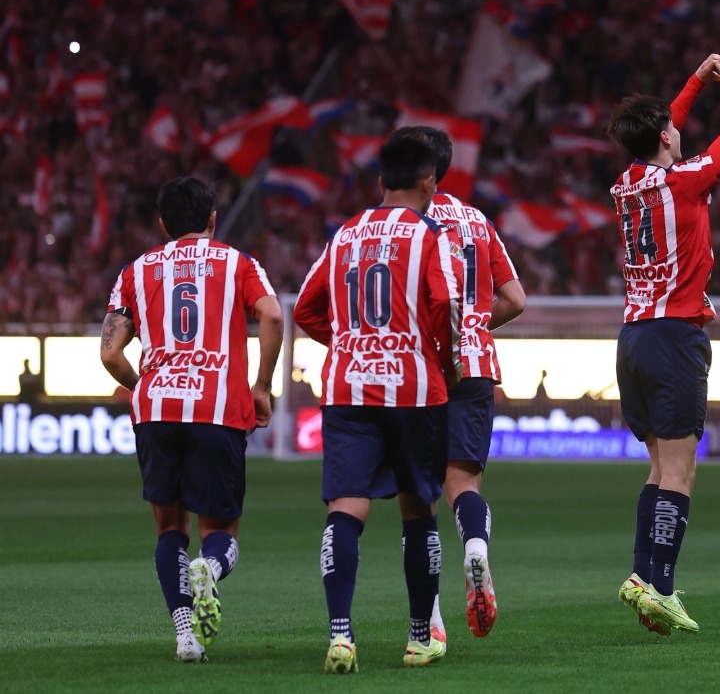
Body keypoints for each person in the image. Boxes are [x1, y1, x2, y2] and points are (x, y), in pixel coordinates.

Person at [293, 132, 461, 673]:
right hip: (414, 389)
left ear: (380, 180)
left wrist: (348, 340)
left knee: (345, 507)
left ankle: (341, 635)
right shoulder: (429, 234)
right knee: (419, 511)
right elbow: (446, 310)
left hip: (346, 386)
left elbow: (304, 309)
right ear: (430, 180)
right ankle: (418, 638)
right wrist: (443, 361)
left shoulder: (345, 233)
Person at [99, 177, 283, 663]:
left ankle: (186, 635)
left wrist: (146, 388)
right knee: (221, 532)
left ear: (162, 223)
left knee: (169, 529)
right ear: (212, 220)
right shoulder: (238, 263)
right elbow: (273, 315)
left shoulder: (135, 271)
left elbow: (111, 354)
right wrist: (261, 385)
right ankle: (211, 569)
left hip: (158, 409)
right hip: (217, 408)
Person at [607, 53, 720, 636]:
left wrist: (695, 80)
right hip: (676, 336)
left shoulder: (627, 185)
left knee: (657, 468)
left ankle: (644, 579)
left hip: (635, 336)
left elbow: (655, 125)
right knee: (680, 474)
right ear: (666, 138)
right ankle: (664, 588)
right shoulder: (686, 180)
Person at [394, 124, 526, 643]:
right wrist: (474, 325)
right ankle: (476, 549)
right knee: (464, 484)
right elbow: (515, 298)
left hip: (420, 367)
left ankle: (430, 621)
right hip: (475, 364)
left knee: (416, 500)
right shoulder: (476, 220)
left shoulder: (401, 222)